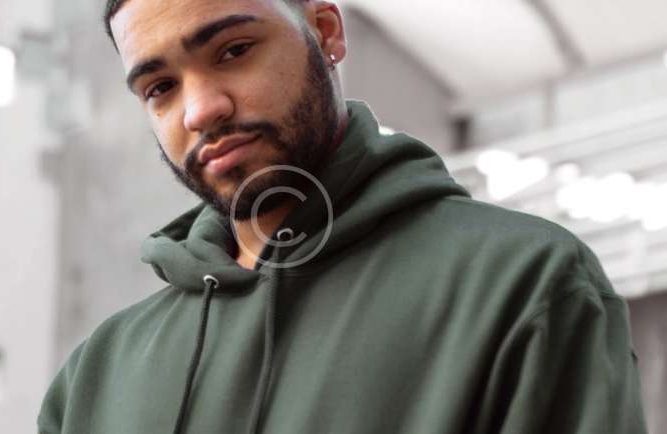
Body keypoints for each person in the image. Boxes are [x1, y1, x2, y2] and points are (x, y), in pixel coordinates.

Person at [38, 0, 649, 433]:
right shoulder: (99, 373)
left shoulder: (524, 285)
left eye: (234, 50)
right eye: (159, 88)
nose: (200, 109)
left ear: (326, 32)